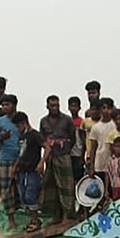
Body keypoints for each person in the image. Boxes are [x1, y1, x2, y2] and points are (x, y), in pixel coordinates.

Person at [38, 94, 77, 224]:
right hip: (50, 157)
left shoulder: (67, 120)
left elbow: (73, 138)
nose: (55, 108)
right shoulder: (43, 121)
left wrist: (64, 148)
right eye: (52, 105)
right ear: (47, 106)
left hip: (63, 155)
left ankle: (67, 216)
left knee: (66, 186)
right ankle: (56, 216)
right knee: (51, 186)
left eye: (57, 105)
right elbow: (42, 139)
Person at [0, 95, 20, 222]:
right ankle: (11, 219)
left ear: (14, 105)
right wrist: (1, 138)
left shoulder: (20, 119)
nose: (5, 107)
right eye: (4, 105)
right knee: (6, 189)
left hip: (21, 158)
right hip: (5, 159)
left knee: (20, 188)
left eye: (8, 104)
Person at [13, 111, 44, 231]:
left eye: (18, 126)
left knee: (31, 195)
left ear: (24, 123)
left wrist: (41, 163)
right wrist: (15, 167)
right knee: (24, 195)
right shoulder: (22, 137)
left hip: (33, 169)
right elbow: (21, 154)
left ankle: (35, 220)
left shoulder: (34, 135)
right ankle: (33, 219)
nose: (17, 129)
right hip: (23, 169)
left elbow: (47, 147)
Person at [87, 98, 117, 179]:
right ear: (100, 110)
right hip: (99, 161)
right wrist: (91, 167)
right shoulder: (95, 127)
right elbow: (93, 148)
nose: (106, 110)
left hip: (113, 161)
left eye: (108, 108)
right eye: (104, 108)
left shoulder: (115, 125)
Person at [68, 96, 86, 181]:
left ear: (79, 108)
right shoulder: (67, 121)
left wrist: (82, 155)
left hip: (78, 153)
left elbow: (83, 140)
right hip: (68, 153)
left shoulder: (82, 122)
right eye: (72, 106)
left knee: (78, 176)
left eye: (75, 106)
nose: (73, 108)